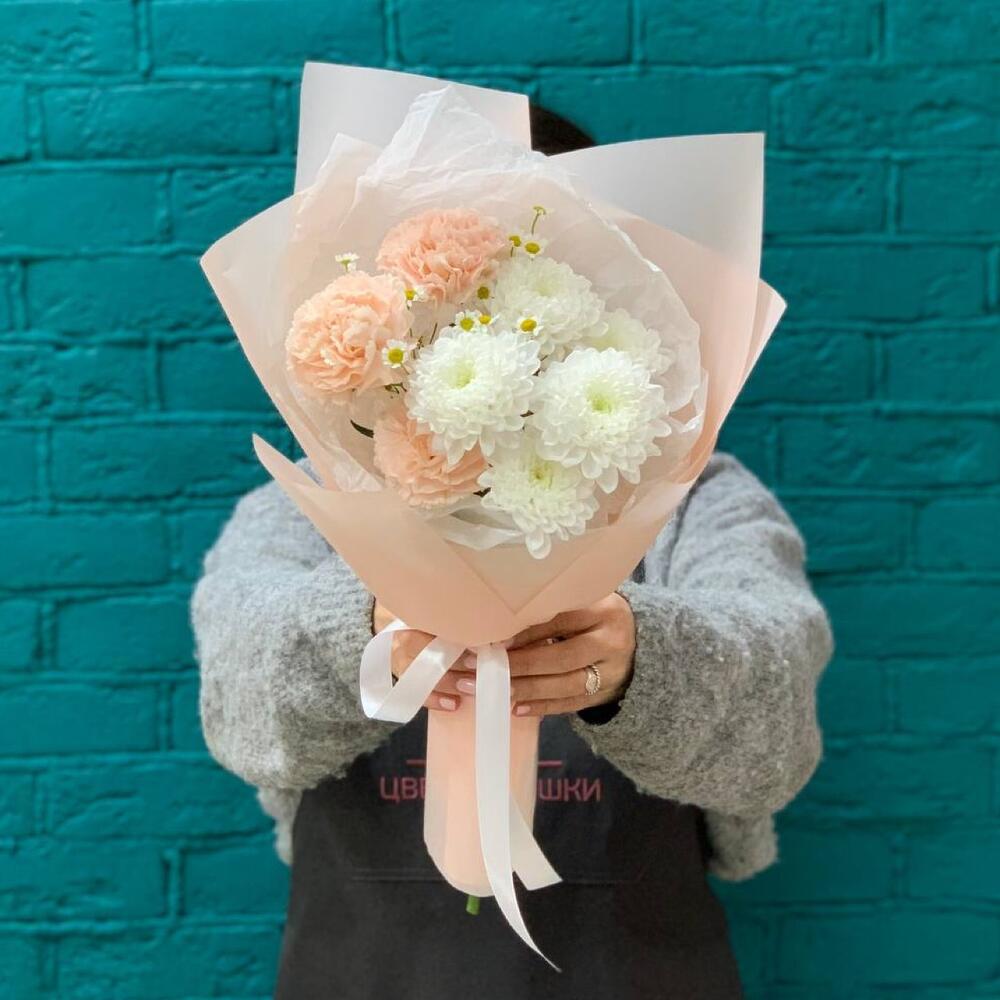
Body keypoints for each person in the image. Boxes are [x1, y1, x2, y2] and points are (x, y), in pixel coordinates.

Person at [192, 107, 833, 1000]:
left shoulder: (700, 500)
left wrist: (635, 661)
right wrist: (369, 630)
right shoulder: (315, 500)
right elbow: (236, 688)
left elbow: (780, 710)